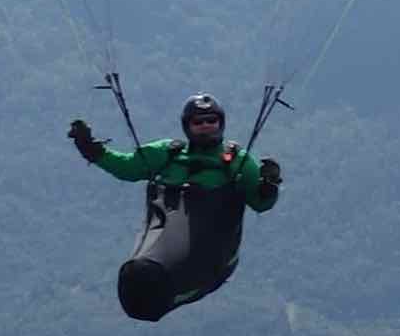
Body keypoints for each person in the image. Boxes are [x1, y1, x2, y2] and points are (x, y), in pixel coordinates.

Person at [69, 92, 285, 321]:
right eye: (198, 122)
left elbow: (261, 203)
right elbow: (127, 167)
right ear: (187, 126)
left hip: (214, 258)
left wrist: (269, 186)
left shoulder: (236, 161)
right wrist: (91, 149)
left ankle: (161, 289)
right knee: (137, 279)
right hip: (162, 250)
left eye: (211, 121)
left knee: (149, 281)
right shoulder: (168, 153)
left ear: (221, 123)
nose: (206, 126)